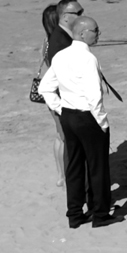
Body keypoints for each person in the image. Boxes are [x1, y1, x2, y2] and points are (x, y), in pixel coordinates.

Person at [38, 14, 114, 226]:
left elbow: (46, 87)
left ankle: (74, 214)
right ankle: (100, 215)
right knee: (97, 167)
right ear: (82, 33)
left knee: (74, 166)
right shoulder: (88, 58)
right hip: (87, 116)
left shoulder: (61, 56)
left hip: (69, 116)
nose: (98, 35)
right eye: (95, 31)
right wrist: (101, 121)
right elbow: (94, 96)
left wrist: (60, 108)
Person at [39, 0, 83, 189]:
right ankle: (64, 176)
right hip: (58, 94)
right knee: (64, 136)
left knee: (60, 136)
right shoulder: (58, 42)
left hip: (51, 93)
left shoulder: (48, 41)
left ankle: (61, 175)